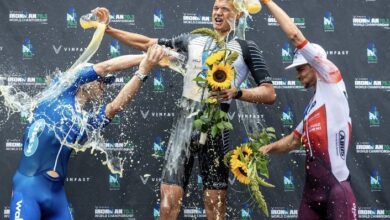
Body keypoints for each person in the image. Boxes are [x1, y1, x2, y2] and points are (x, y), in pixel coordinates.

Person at [96, 1, 276, 219]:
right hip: (183, 128)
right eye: (215, 8)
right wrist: (108, 29)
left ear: (237, 15)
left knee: (215, 207)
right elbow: (148, 43)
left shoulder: (246, 48)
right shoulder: (193, 39)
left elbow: (269, 93)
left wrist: (237, 93)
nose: (218, 13)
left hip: (216, 131)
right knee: (167, 205)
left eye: (224, 9)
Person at [9, 45, 165, 220]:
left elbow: (114, 107)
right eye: (101, 81)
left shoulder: (85, 122)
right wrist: (145, 58)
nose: (103, 87)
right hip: (28, 190)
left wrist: (143, 71)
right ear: (86, 80)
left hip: (56, 195)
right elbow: (106, 67)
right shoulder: (61, 89)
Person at [258, 0, 357, 219]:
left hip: (337, 190)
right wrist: (266, 149)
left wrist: (266, 2)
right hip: (311, 195)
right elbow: (293, 141)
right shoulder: (314, 106)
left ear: (315, 65)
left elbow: (295, 37)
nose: (297, 74)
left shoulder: (331, 78)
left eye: (301, 68)